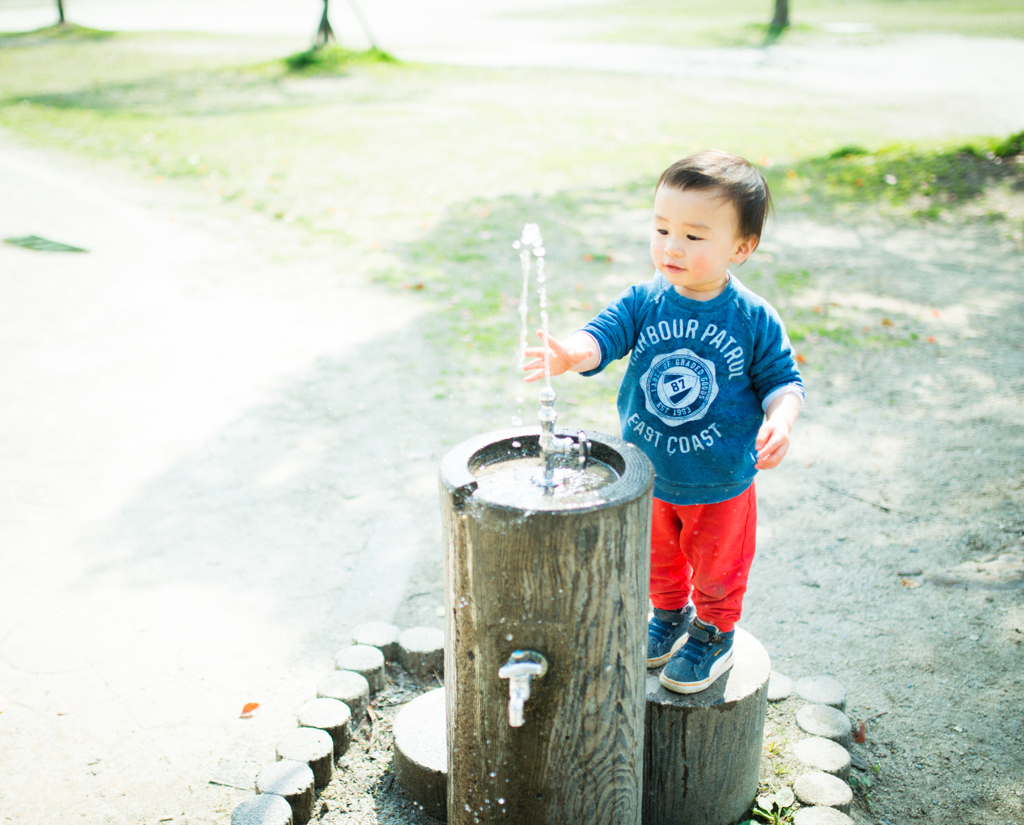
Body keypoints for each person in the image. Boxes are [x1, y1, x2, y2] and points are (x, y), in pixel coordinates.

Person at [523, 151, 804, 694]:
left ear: (741, 248)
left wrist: (782, 420)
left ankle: (715, 634)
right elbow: (603, 334)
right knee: (659, 561)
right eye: (662, 229)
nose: (672, 247)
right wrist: (571, 353)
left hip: (720, 480)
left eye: (695, 237)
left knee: (719, 570)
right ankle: (669, 619)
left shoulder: (751, 318)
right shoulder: (646, 298)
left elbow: (783, 381)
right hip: (650, 471)